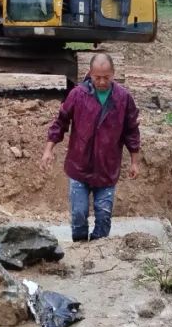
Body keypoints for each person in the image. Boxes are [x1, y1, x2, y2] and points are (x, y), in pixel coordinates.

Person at [40, 52, 140, 242]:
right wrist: (48, 149)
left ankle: (97, 250)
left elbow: (131, 131)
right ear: (90, 73)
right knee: (78, 215)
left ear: (113, 74)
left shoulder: (123, 98)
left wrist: (134, 161)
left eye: (106, 77)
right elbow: (61, 122)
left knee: (103, 218)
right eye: (97, 77)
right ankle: (80, 248)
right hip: (79, 167)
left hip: (107, 168)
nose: (101, 82)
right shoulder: (78, 94)